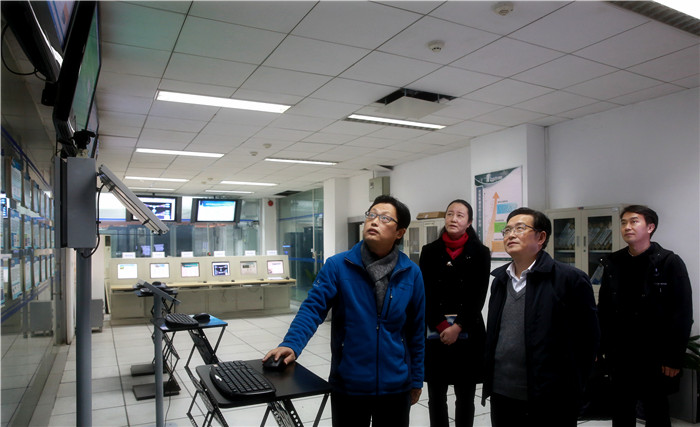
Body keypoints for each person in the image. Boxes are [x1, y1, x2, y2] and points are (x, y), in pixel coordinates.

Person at [264, 195, 425, 427]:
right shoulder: (338, 266)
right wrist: (292, 343)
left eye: (384, 218)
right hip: (349, 383)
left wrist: (417, 379)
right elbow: (312, 309)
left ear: (400, 232)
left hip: (395, 386)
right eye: (371, 215)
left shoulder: (411, 273)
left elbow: (416, 331)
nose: (374, 221)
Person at [483, 207, 600, 427]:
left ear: (541, 237)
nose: (511, 235)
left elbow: (588, 341)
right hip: (502, 392)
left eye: (520, 228)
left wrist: (573, 388)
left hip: (550, 397)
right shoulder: (500, 280)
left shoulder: (569, 279)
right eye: (507, 230)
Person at [597, 205, 693, 427]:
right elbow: (604, 309)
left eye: (634, 221)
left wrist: (674, 357)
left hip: (655, 353)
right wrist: (599, 347)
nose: (627, 227)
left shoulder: (668, 262)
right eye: (623, 222)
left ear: (650, 227)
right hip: (621, 352)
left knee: (656, 410)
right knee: (621, 410)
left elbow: (682, 313)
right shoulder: (613, 262)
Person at [419, 199, 491, 427]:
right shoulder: (429, 251)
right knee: (436, 396)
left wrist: (458, 327)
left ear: (469, 222)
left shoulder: (481, 252)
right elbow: (425, 294)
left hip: (468, 330)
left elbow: (478, 296)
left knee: (466, 396)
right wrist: (443, 327)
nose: (453, 218)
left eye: (460, 215)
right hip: (436, 332)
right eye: (450, 214)